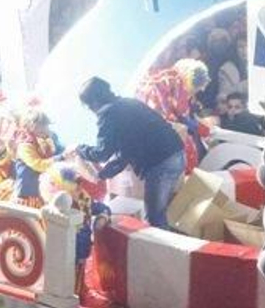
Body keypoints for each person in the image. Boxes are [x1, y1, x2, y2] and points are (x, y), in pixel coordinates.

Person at [74, 77, 187, 230]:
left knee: (154, 220)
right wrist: (103, 175)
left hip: (161, 163)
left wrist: (79, 149)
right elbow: (125, 151)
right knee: (160, 213)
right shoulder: (129, 103)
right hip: (177, 153)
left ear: (93, 103)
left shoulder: (109, 116)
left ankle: (170, 250)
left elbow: (102, 153)